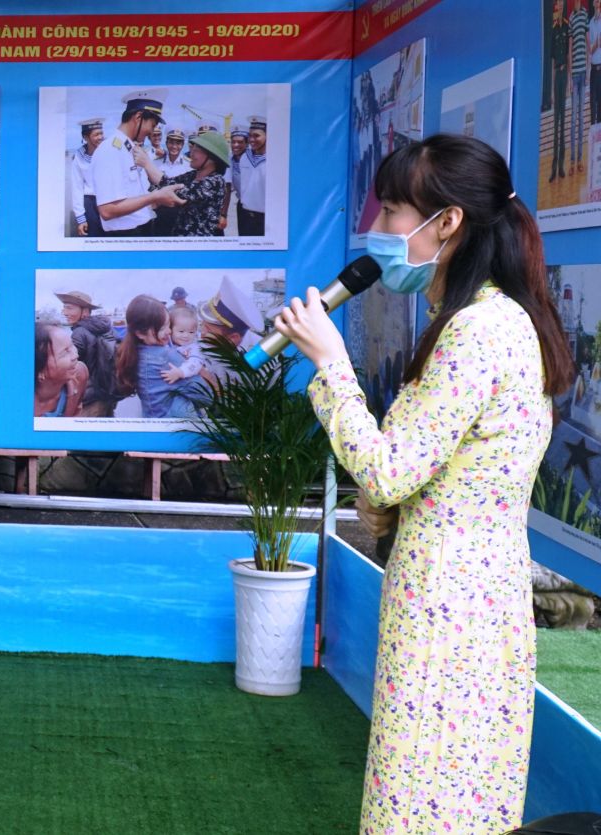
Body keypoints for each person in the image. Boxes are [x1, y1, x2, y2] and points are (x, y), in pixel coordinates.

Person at [271, 134, 572, 835]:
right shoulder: (490, 319)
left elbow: (385, 468)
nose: (375, 231)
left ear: (448, 223)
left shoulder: (478, 329)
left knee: (421, 801)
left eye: (392, 212)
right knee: (454, 795)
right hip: (467, 596)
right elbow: (411, 474)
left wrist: (331, 364)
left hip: (450, 606)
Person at [91, 89, 187, 236]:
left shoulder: (128, 148)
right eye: (153, 125)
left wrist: (155, 199)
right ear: (138, 117)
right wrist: (155, 196)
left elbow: (133, 193)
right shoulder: (111, 150)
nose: (152, 132)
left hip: (141, 229)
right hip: (125, 235)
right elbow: (107, 210)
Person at [113, 294, 211, 418]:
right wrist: (202, 372)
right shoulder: (166, 357)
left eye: (168, 325)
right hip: (177, 430)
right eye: (161, 328)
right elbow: (206, 397)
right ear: (140, 333)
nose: (169, 332)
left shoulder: (135, 352)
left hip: (153, 424)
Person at [55, 290, 120, 417]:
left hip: (89, 399)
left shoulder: (79, 332)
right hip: (107, 394)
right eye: (64, 308)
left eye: (70, 308)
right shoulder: (106, 328)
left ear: (85, 311)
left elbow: (69, 365)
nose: (65, 313)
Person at [157, 130, 232, 237]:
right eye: (192, 149)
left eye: (196, 150)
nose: (191, 153)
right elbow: (167, 182)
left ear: (211, 157)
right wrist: (146, 164)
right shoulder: (192, 175)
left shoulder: (215, 181)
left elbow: (180, 195)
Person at [33, 321, 87, 418]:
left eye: (72, 345)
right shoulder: (14, 398)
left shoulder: (80, 374)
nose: (75, 355)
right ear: (40, 369)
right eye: (65, 352)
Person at [235, 117, 268, 236]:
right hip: (245, 214)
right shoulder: (245, 157)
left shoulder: (275, 159)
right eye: (250, 136)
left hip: (264, 217)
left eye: (256, 135)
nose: (252, 140)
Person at [552, 2, 572, 182]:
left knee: (563, 123)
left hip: (564, 74)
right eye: (556, 9)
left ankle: (561, 167)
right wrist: (551, 91)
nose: (557, 11)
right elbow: (552, 62)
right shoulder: (554, 30)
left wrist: (569, 82)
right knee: (556, 125)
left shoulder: (566, 26)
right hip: (556, 74)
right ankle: (553, 168)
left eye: (559, 8)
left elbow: (568, 55)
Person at [571, 0, 591, 173]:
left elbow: (587, 40)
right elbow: (570, 48)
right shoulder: (571, 17)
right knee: (573, 120)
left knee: (582, 118)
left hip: (583, 72)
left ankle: (580, 160)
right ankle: (572, 162)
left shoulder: (584, 15)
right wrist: (570, 77)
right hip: (574, 74)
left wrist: (589, 70)